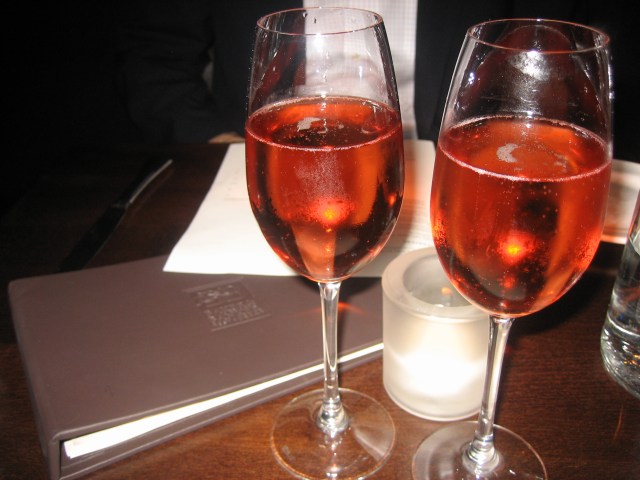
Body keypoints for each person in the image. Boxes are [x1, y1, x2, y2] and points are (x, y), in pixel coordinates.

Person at [115, 0, 637, 161]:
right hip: (255, 169)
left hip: (448, 176)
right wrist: (217, 146)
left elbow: (558, 60)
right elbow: (155, 58)